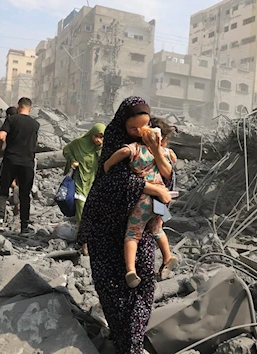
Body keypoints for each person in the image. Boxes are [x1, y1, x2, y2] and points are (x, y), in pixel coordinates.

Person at [78, 96, 173, 353]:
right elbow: (110, 179)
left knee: (143, 282)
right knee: (112, 286)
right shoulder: (114, 141)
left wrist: (154, 149)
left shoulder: (154, 143)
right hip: (107, 228)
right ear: (123, 125)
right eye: (134, 129)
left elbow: (169, 177)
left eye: (145, 125)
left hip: (140, 226)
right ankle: (123, 338)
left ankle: (133, 340)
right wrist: (150, 187)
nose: (140, 132)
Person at [104, 118, 178, 288]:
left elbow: (123, 152)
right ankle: (167, 256)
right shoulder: (167, 153)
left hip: (143, 199)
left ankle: (130, 270)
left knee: (133, 233)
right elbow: (170, 167)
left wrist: (108, 164)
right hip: (162, 199)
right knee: (157, 229)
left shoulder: (136, 149)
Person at [0, 97, 40, 236]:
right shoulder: (35, 124)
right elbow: (35, 143)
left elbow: (1, 137)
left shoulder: (11, 120)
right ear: (30, 108)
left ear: (18, 106)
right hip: (27, 163)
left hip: (11, 160)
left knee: (3, 192)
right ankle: (24, 227)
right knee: (24, 194)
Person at [62, 123, 106, 255]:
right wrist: (72, 160)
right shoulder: (79, 143)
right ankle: (85, 242)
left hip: (93, 183)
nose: (98, 139)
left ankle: (91, 237)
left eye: (101, 137)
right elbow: (66, 150)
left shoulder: (101, 148)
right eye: (96, 136)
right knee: (82, 210)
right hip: (80, 181)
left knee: (93, 211)